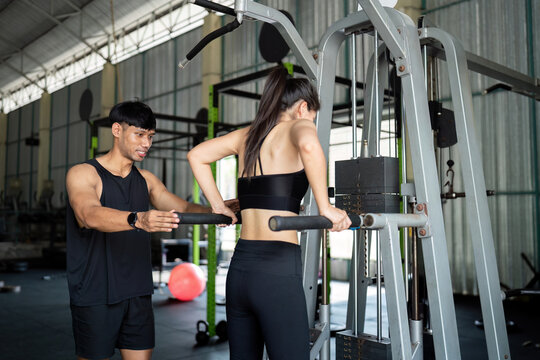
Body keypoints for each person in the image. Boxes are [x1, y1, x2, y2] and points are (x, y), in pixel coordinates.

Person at [187, 67, 351, 360]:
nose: (310, 121)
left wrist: (218, 205)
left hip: (239, 272)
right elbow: (310, 146)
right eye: (312, 115)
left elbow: (196, 156)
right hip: (276, 272)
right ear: (303, 107)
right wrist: (325, 208)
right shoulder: (299, 126)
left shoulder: (246, 136)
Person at [65, 100, 237, 360]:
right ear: (116, 130)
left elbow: (183, 207)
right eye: (139, 134)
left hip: (138, 292)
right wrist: (138, 219)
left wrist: (218, 210)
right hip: (96, 294)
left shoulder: (146, 180)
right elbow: (88, 214)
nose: (146, 143)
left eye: (151, 136)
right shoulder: (83, 173)